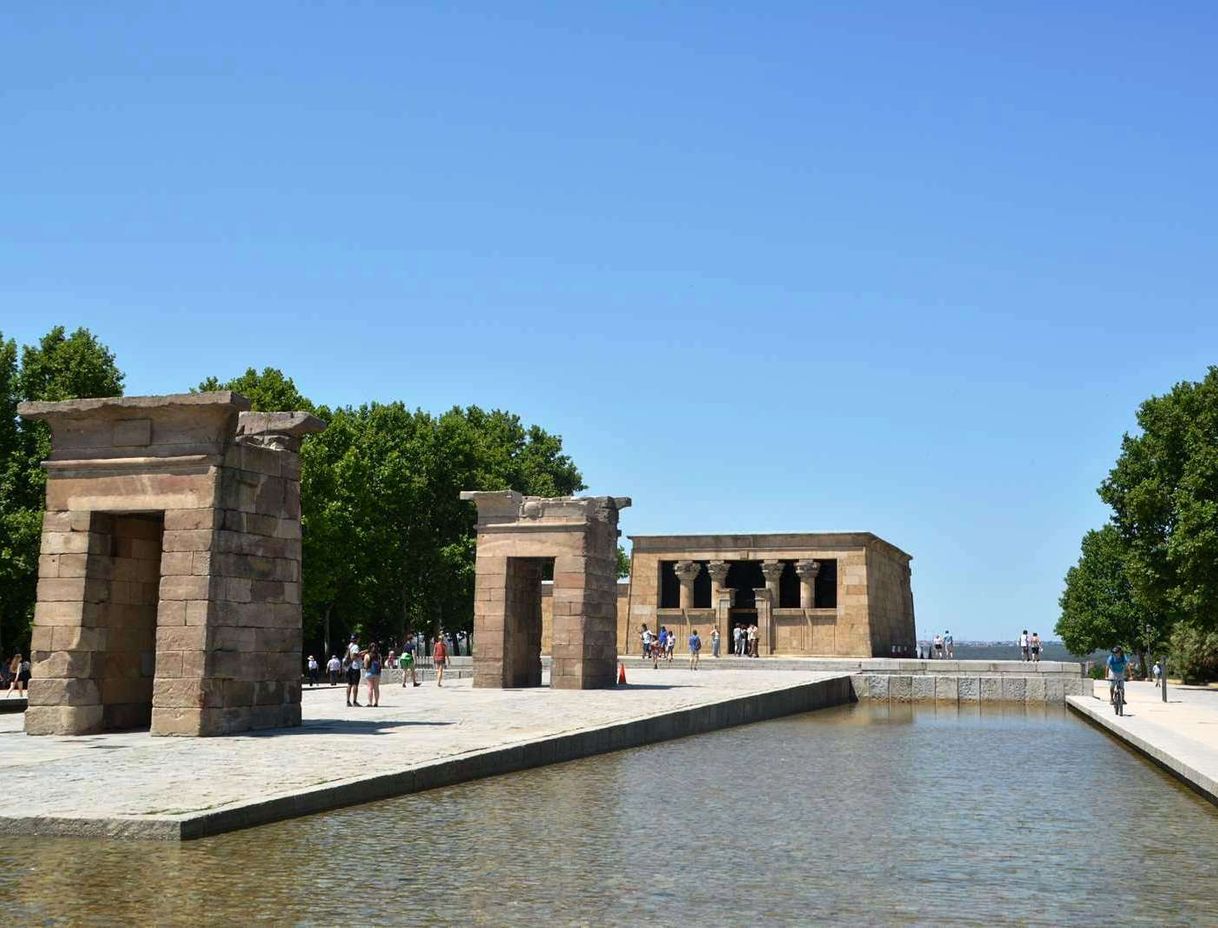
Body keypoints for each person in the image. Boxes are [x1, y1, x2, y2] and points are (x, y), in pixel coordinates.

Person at [345, 639, 363, 707]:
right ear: (357, 639)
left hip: (349, 667)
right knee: (355, 684)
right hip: (355, 667)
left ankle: (348, 701)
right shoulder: (356, 646)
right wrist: (360, 655)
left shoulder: (349, 646)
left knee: (349, 684)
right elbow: (353, 656)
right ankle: (354, 701)